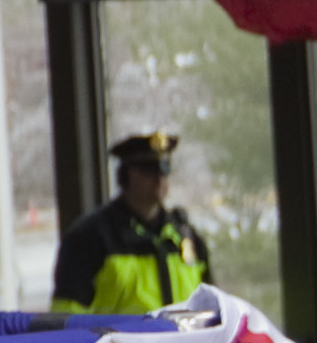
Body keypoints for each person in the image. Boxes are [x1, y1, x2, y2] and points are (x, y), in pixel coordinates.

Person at [52, 131, 216, 315]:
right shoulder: (88, 238)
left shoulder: (184, 235)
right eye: (148, 169)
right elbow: (66, 320)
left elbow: (211, 307)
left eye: (164, 168)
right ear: (125, 175)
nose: (159, 178)